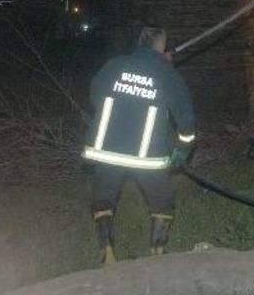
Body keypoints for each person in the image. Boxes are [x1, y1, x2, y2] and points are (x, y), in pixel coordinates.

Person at [82, 27, 195, 263]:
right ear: (162, 46)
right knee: (162, 201)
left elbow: (94, 95)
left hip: (107, 150)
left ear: (140, 42)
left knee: (103, 199)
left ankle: (107, 253)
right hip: (147, 156)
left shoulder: (114, 66)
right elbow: (185, 117)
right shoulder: (166, 74)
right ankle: (157, 254)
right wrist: (183, 150)